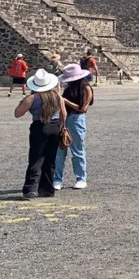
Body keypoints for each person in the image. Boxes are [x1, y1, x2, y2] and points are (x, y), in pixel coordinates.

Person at [13, 69, 71, 199]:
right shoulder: (57, 96)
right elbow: (64, 113)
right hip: (54, 127)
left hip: (39, 127)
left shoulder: (32, 98)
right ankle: (47, 189)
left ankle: (30, 188)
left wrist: (22, 102)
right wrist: (61, 127)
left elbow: (17, 113)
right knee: (50, 160)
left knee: (36, 158)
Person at [52, 63, 94, 190]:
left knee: (77, 150)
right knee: (60, 151)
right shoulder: (69, 88)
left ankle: (81, 178)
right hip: (65, 117)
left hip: (76, 119)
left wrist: (65, 101)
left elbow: (83, 109)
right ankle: (57, 179)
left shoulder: (86, 88)